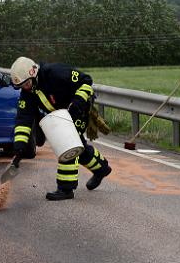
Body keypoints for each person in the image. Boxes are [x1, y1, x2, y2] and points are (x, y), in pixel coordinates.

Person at [10, 56, 112, 201]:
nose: (25, 88)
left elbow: (86, 81)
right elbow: (23, 120)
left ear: (33, 73)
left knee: (67, 144)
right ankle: (101, 169)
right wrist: (19, 147)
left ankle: (66, 189)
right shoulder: (27, 93)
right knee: (79, 147)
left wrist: (77, 103)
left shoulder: (55, 73)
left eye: (26, 83)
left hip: (78, 108)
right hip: (61, 114)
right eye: (21, 86)